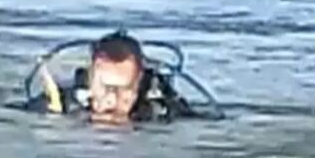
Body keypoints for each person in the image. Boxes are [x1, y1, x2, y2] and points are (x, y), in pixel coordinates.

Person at [24, 31, 214, 124]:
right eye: (105, 88)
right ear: (90, 78)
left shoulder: (165, 110)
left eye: (125, 90)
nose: (113, 101)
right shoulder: (60, 105)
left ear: (139, 81)